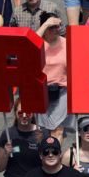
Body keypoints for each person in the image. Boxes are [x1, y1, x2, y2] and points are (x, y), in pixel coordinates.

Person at [33, 13, 70, 143]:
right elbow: (29, 45)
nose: (55, 29)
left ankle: (55, 156)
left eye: (57, 26)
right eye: (51, 27)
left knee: (58, 129)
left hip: (62, 91)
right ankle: (43, 158)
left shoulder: (67, 43)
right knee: (41, 130)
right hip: (41, 91)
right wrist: (46, 24)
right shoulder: (38, 43)